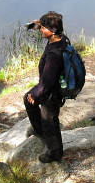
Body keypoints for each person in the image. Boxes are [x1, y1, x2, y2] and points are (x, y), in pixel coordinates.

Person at [23, 11, 66, 163]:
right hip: (50, 84)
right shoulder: (60, 38)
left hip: (51, 91)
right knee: (27, 100)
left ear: (52, 31)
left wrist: (36, 95)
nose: (40, 30)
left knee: (49, 120)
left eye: (43, 28)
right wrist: (37, 24)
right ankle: (41, 132)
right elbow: (45, 27)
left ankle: (55, 153)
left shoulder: (53, 56)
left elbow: (47, 83)